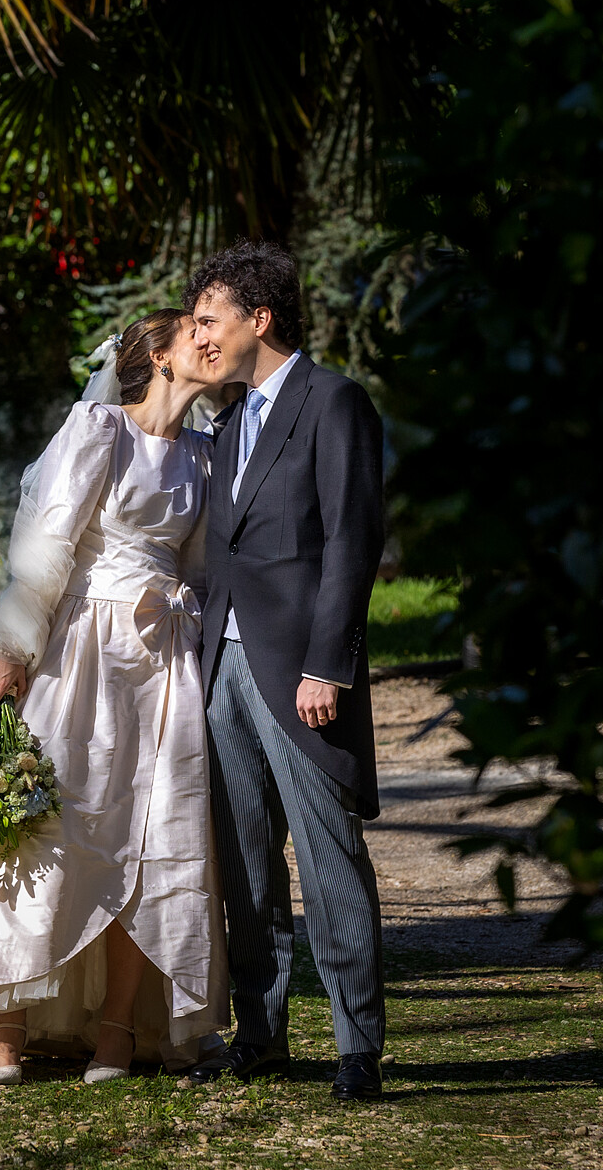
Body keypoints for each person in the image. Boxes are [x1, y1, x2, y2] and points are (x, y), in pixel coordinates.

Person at [0, 309, 231, 1085]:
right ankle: (9, 1027)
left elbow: (203, 569)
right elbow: (44, 545)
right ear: (159, 359)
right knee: (51, 833)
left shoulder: (205, 455)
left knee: (154, 840)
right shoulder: (97, 430)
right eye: (194, 333)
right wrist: (13, 647)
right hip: (82, 654)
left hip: (165, 662)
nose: (211, 342)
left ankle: (116, 1035)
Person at [181, 241, 390, 1102]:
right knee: (245, 866)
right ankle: (261, 1035)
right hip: (221, 668)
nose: (198, 337)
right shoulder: (226, 422)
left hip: (300, 674)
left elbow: (353, 538)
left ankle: (357, 1049)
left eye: (208, 320)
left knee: (328, 854)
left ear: (257, 320)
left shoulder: (334, 401)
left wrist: (326, 666)